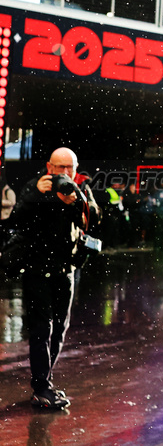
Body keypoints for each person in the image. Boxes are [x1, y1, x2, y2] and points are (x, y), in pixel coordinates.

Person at [11, 147, 100, 409]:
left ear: (76, 167)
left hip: (66, 270)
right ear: (49, 167)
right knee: (41, 329)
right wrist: (35, 194)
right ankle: (41, 387)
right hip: (37, 270)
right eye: (59, 168)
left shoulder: (80, 189)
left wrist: (77, 202)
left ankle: (44, 383)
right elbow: (15, 219)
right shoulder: (36, 187)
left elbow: (93, 219)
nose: (64, 173)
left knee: (59, 329)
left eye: (69, 168)